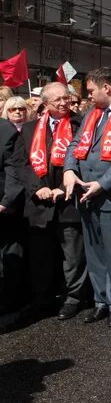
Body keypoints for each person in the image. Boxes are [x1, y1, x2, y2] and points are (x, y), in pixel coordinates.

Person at [63, 68, 111, 328]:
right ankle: (101, 301)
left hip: (110, 195)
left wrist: (102, 183)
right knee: (94, 253)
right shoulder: (92, 113)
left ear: (107, 88)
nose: (88, 97)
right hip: (85, 193)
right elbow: (74, 143)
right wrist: (69, 170)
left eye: (91, 91)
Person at [21, 83, 86, 320]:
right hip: (39, 203)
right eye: (57, 100)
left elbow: (83, 160)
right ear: (45, 103)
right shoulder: (29, 129)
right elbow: (21, 164)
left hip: (68, 200)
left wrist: (61, 188)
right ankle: (43, 298)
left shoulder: (81, 125)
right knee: (41, 257)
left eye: (66, 98)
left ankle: (73, 298)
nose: (63, 103)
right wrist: (37, 188)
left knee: (73, 255)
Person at [0, 114, 24, 313]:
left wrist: (7, 200)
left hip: (3, 205)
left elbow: (13, 168)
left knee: (8, 253)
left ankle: (9, 300)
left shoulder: (6, 130)